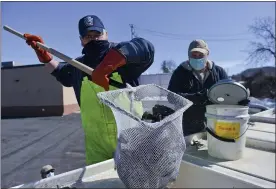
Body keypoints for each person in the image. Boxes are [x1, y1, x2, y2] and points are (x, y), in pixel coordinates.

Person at [23, 15, 155, 165]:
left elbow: (146, 48)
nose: (93, 39)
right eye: (87, 36)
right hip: (97, 149)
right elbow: (59, 71)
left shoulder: (124, 57)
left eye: (97, 34)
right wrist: (44, 55)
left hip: (132, 144)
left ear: (106, 34)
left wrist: (108, 65)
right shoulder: (77, 66)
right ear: (81, 40)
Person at [168, 39, 249, 136]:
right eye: (194, 55)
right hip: (188, 126)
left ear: (207, 54)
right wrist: (194, 97)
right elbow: (171, 96)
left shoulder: (219, 72)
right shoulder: (180, 72)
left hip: (216, 123)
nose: (197, 58)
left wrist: (239, 101)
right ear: (188, 56)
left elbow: (229, 93)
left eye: (201, 55)